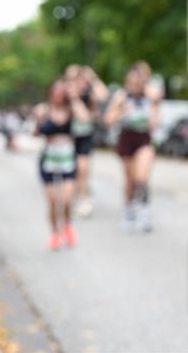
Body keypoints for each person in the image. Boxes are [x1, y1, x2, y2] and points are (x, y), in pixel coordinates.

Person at [34, 80, 91, 251]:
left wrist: (74, 98)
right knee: (52, 201)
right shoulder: (43, 110)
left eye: (61, 92)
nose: (58, 96)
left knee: (66, 200)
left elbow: (85, 119)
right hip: (49, 159)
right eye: (55, 92)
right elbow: (36, 132)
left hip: (67, 158)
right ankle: (55, 233)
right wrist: (38, 120)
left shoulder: (71, 110)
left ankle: (67, 225)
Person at [105, 61, 161, 232]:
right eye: (131, 81)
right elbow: (108, 120)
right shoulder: (121, 96)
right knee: (130, 181)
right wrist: (122, 110)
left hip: (144, 139)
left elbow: (154, 123)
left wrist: (152, 105)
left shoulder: (151, 96)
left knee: (141, 178)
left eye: (138, 81)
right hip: (126, 139)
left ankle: (144, 212)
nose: (135, 84)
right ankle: (129, 212)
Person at [67, 64, 109, 217]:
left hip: (84, 136)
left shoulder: (87, 94)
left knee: (83, 167)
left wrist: (93, 78)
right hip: (68, 138)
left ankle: (85, 198)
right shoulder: (65, 94)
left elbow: (104, 95)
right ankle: (75, 196)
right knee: (73, 170)